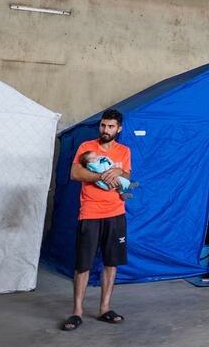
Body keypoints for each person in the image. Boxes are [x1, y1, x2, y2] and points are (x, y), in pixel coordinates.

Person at [63, 109, 131, 332]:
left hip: (116, 213)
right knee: (82, 264)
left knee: (111, 262)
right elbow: (75, 174)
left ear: (118, 129)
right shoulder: (86, 147)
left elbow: (127, 177)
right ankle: (77, 312)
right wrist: (102, 175)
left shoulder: (124, 151)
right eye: (103, 125)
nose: (106, 130)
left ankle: (104, 308)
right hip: (90, 213)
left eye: (111, 126)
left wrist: (119, 171)